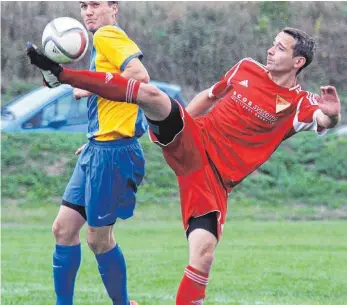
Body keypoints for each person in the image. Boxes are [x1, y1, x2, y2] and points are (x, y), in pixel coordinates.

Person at [26, 27, 342, 305]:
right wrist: (177, 122)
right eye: (273, 44)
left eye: (280, 48)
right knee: (152, 96)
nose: (271, 50)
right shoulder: (245, 68)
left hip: (214, 180)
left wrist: (333, 114)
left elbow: (322, 119)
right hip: (193, 140)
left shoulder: (301, 103)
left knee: (203, 255)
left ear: (298, 62)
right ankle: (62, 75)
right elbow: (209, 95)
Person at [44, 2, 149, 305]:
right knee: (63, 229)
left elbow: (139, 76)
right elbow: (122, 99)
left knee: (98, 240)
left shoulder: (108, 35)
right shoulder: (99, 43)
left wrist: (88, 87)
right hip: (97, 148)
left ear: (113, 7)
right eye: (83, 5)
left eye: (95, 4)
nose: (88, 11)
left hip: (113, 154)